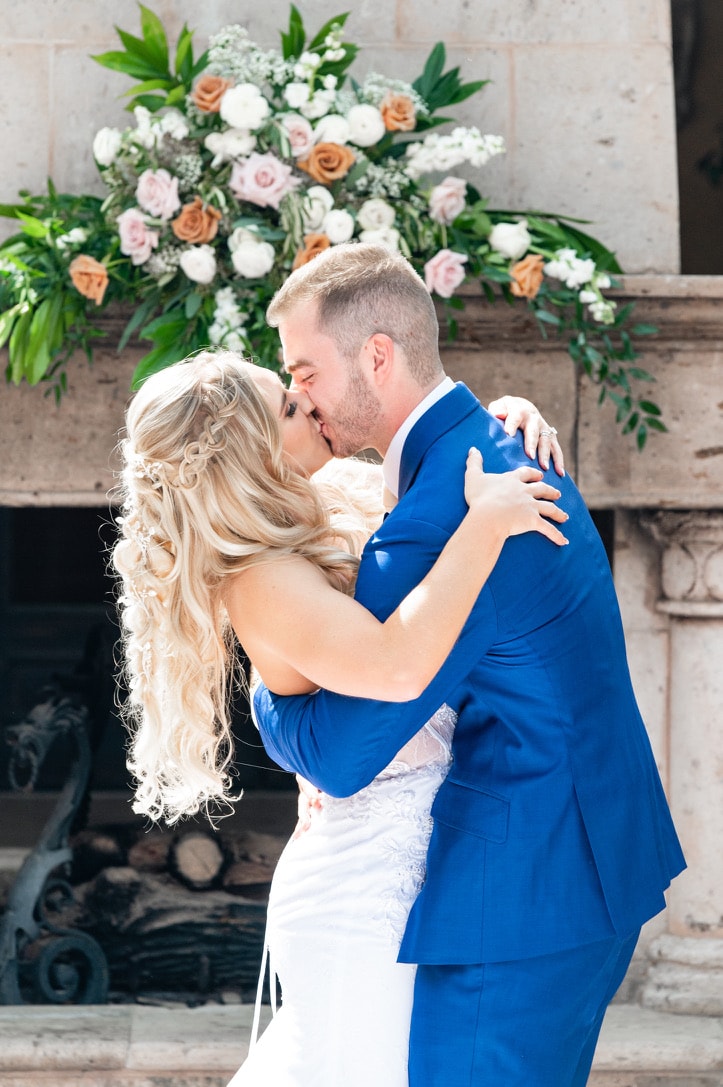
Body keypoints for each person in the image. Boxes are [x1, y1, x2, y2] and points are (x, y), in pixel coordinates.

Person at [251, 242, 686, 1087]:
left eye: (304, 371)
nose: (300, 396)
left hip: (522, 897)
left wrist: (267, 698)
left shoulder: (436, 511)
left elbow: (343, 756)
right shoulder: (483, 447)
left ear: (376, 355)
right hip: (584, 855)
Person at [111, 349, 567, 1082]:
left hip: (415, 870)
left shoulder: (324, 503)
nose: (304, 399)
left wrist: (504, 422)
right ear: (247, 457)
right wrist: (486, 526)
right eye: (286, 408)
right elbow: (395, 666)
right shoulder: (259, 578)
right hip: (361, 901)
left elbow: (430, 488)